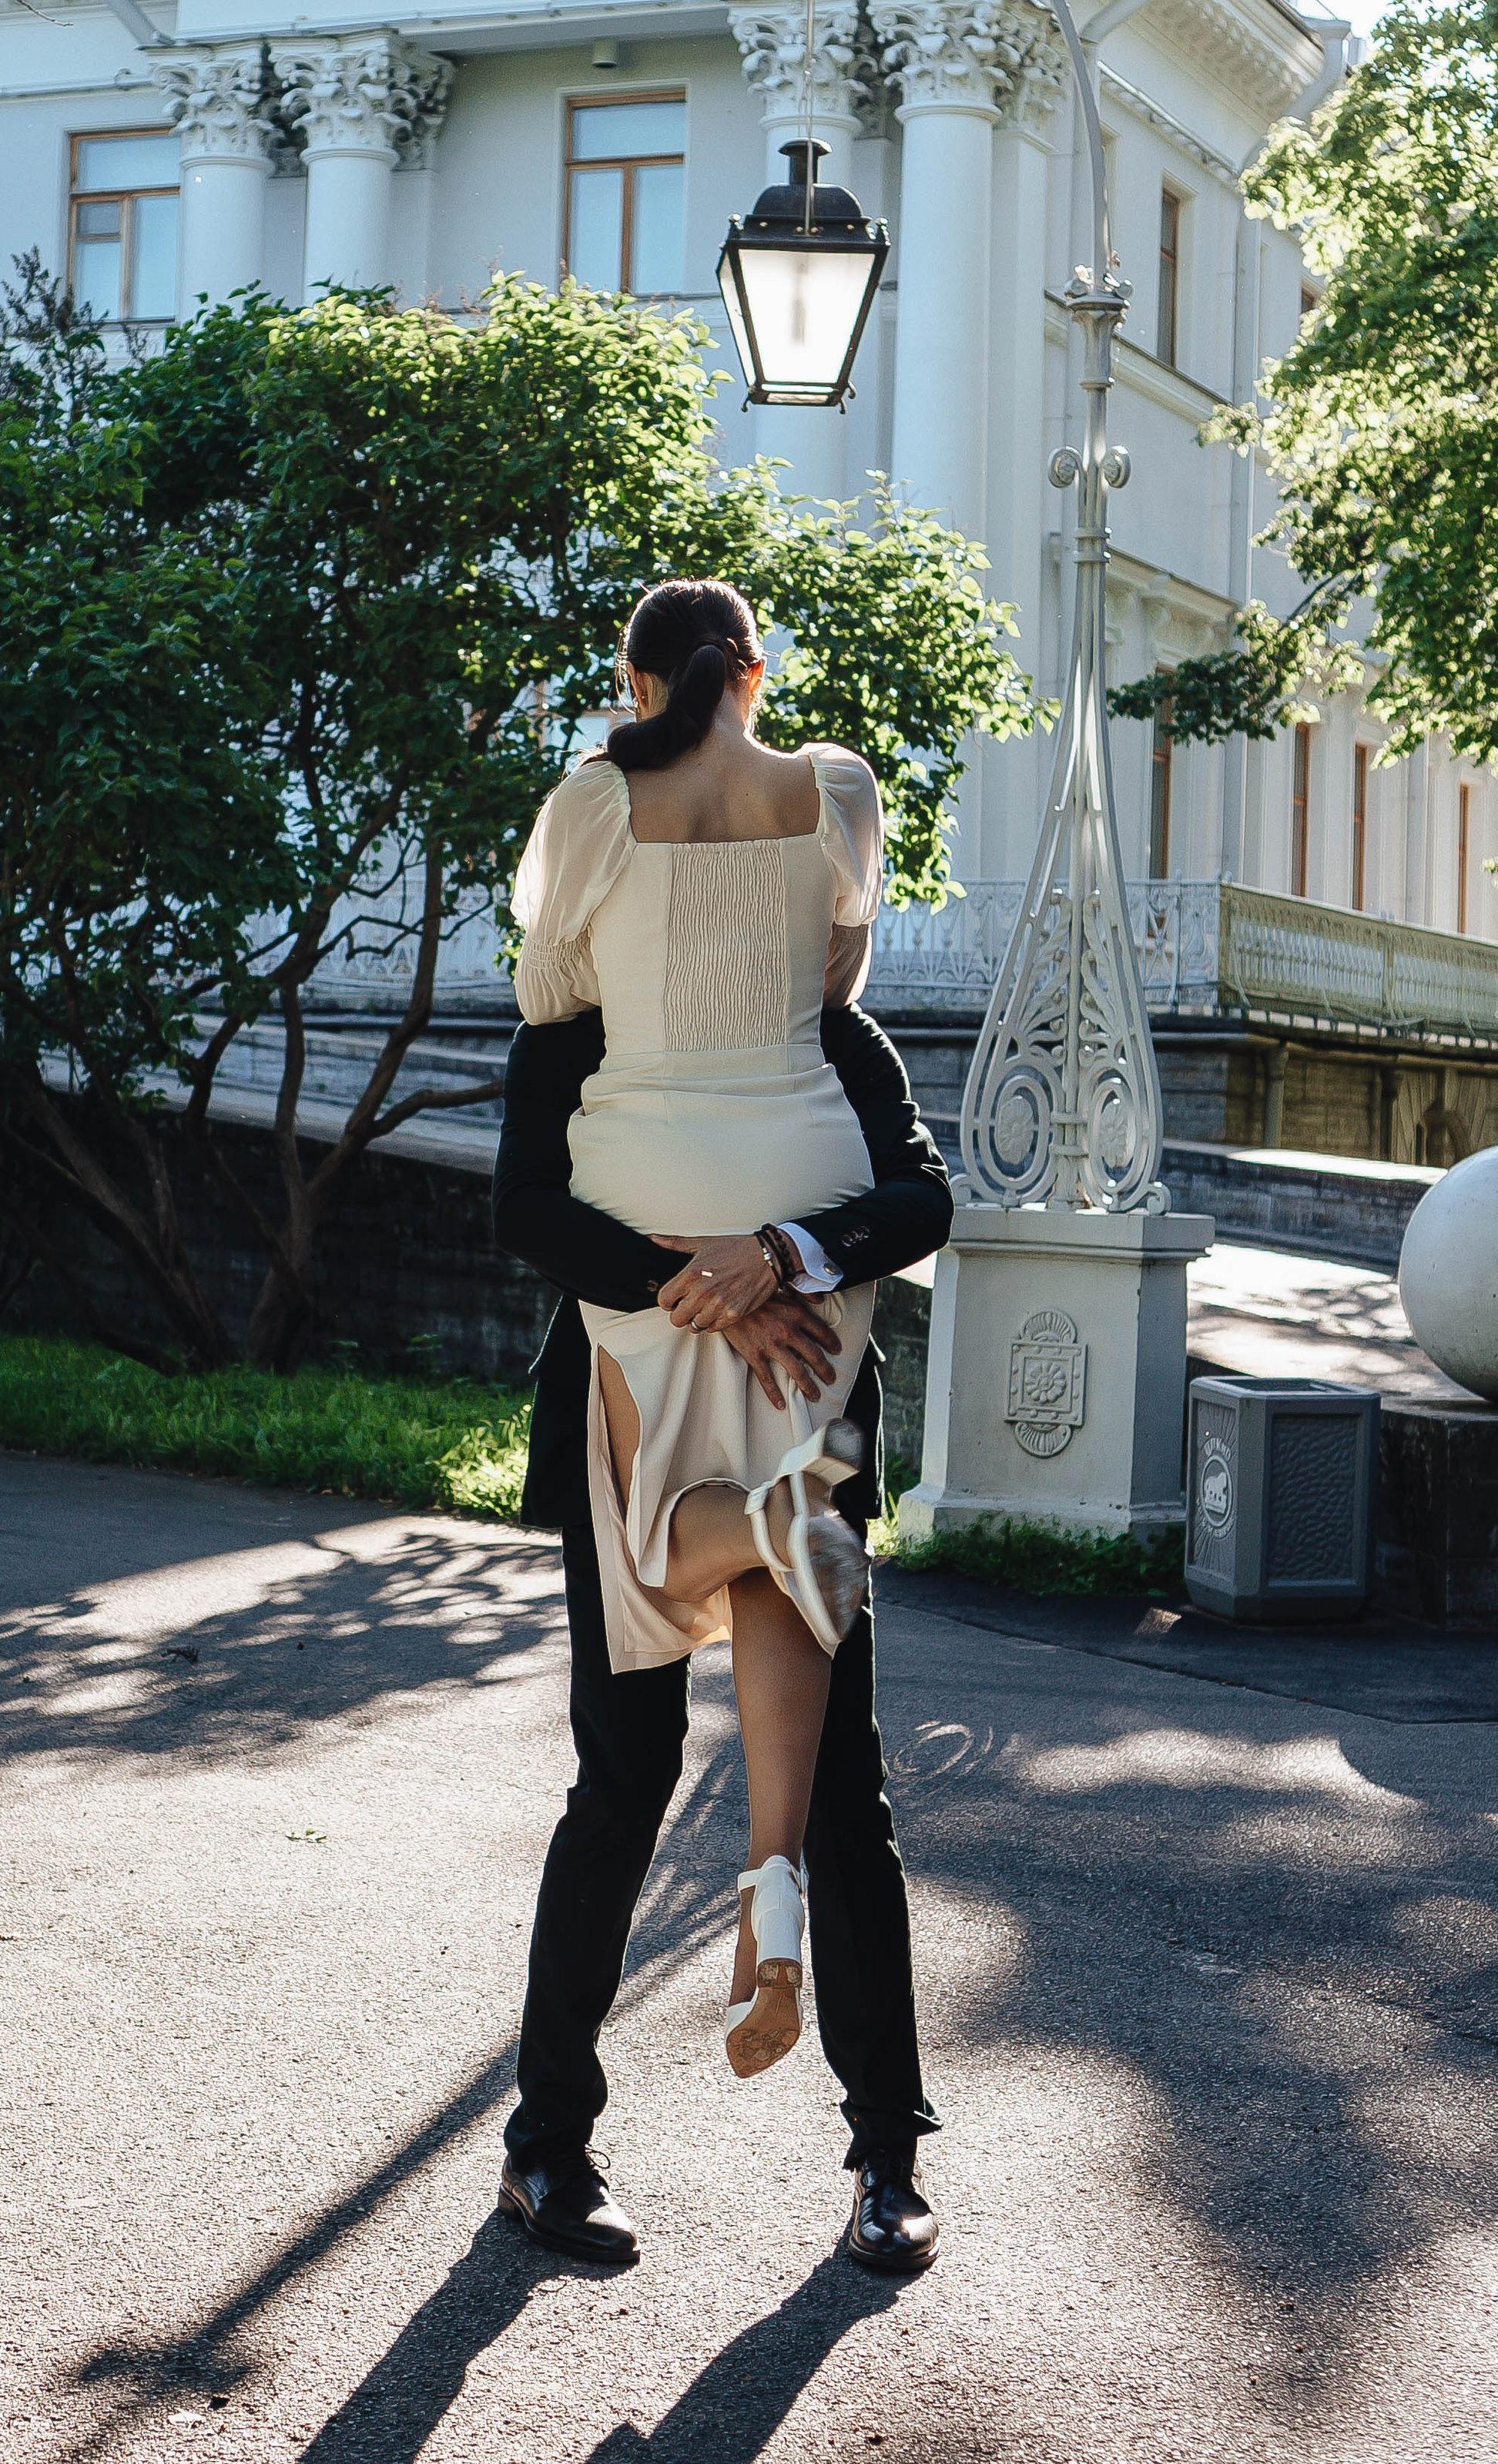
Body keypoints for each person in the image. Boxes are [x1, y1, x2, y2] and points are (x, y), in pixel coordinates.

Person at [491, 577, 953, 2272]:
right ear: (750, 685)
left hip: (796, 1414)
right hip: (647, 1394)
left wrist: (786, 1256)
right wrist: (728, 1286)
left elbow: (916, 1198)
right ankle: (547, 2151)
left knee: (842, 1791)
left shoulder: (822, 1041)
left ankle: (887, 2161)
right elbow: (526, 1214)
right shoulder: (587, 1041)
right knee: (624, 1779)